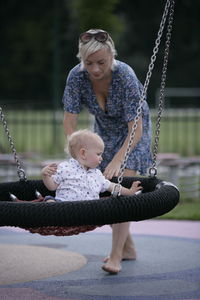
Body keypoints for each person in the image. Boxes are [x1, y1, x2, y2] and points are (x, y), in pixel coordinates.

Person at [62, 29, 152, 274]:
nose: (95, 69)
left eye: (101, 62)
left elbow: (136, 127)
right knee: (101, 188)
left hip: (134, 133)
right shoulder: (76, 76)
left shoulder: (125, 75)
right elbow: (69, 122)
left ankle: (116, 256)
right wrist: (76, 156)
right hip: (102, 133)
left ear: (112, 55)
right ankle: (128, 247)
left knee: (120, 188)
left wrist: (119, 159)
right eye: (88, 63)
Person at [42, 129, 142, 203]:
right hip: (64, 207)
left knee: (103, 205)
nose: (101, 158)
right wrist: (46, 176)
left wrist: (129, 192)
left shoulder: (97, 174)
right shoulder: (65, 168)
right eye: (98, 154)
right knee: (50, 201)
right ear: (83, 154)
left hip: (89, 210)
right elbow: (52, 186)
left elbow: (112, 186)